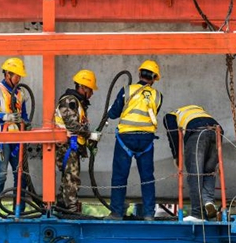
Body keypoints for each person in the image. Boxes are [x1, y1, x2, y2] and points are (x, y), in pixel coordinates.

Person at [105, 60, 163, 220]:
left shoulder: (127, 90)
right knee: (147, 177)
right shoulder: (158, 96)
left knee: (119, 176)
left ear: (139, 74)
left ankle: (116, 212)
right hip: (146, 140)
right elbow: (154, 112)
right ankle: (149, 213)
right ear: (154, 78)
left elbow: (113, 113)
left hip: (126, 139)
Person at [0, 57, 30, 219]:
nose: (19, 79)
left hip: (17, 140)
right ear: (8, 74)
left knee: (21, 175)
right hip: (2, 139)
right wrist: (5, 117)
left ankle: (20, 211)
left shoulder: (20, 94)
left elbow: (24, 116)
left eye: (20, 76)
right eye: (16, 76)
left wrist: (25, 122)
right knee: (0, 175)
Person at [163, 105, 222, 222]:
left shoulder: (169, 116)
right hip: (217, 132)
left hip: (197, 133)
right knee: (208, 171)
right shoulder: (197, 109)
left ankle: (197, 214)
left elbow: (173, 136)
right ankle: (208, 202)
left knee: (195, 175)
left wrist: (177, 157)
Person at [54, 69, 101, 213]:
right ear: (83, 87)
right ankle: (71, 208)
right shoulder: (69, 101)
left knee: (68, 177)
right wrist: (90, 135)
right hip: (65, 146)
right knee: (71, 177)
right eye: (90, 90)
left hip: (71, 146)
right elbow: (73, 126)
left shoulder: (78, 103)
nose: (92, 93)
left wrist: (88, 142)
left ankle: (62, 204)